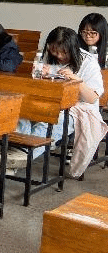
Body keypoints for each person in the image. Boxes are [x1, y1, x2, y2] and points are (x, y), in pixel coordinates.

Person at [12, 27, 105, 178]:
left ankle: (20, 156)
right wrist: (40, 74)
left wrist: (77, 81)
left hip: (77, 108)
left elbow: (92, 98)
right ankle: (19, 152)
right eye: (55, 51)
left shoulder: (88, 62)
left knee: (53, 120)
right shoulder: (48, 56)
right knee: (21, 111)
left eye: (64, 52)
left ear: (73, 49)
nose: (59, 56)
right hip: (49, 100)